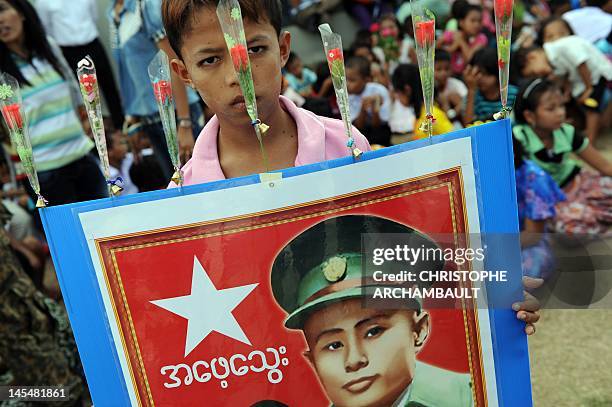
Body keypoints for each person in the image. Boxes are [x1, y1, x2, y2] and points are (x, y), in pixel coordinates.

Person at [159, 0, 540, 320]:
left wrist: (492, 288)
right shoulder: (182, 196)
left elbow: (397, 248)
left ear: (285, 48)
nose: (236, 75)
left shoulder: (344, 143)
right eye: (210, 60)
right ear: (184, 73)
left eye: (255, 50)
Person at [270, 215, 473, 406]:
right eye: (333, 345)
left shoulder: (476, 395)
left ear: (419, 330)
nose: (354, 360)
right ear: (312, 360)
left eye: (373, 331)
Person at [0, 0, 108, 206]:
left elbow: (75, 90)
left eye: (2, 10)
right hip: (45, 172)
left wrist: (86, 122)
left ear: (22, 12)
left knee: (105, 231)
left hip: (82, 157)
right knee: (67, 237)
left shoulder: (49, 48)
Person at [109, 0, 204, 181]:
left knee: (199, 183)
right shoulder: (113, 12)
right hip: (151, 119)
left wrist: (184, 122)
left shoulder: (146, 6)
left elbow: (172, 63)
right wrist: (133, 120)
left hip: (176, 114)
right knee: (177, 188)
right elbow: (129, 72)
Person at [513, 78, 612, 236]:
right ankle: (588, 215)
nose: (560, 113)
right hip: (547, 197)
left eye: (561, 106)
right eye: (551, 108)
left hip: (577, 182)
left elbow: (605, 167)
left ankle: (588, 214)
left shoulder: (567, 132)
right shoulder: (519, 138)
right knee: (566, 229)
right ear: (530, 116)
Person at [35, 0, 124, 130]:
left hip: (92, 43)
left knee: (109, 86)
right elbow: (46, 29)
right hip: (69, 50)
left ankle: (121, 125)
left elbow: (93, 16)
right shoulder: (43, 3)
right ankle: (97, 132)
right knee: (84, 95)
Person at [514, 37, 612, 142]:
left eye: (534, 73)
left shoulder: (561, 48)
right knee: (583, 105)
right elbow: (567, 74)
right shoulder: (553, 62)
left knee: (591, 107)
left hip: (598, 75)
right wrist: (567, 91)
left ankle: (590, 140)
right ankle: (593, 129)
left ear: (532, 58)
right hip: (586, 82)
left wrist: (588, 88)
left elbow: (581, 63)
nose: (538, 75)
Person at [513, 137, 566, 280]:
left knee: (518, 274)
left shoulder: (534, 178)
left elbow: (532, 235)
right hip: (489, 242)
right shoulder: (475, 174)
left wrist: (492, 250)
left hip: (526, 242)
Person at [389, 64, 453, 143]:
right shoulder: (420, 115)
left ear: (407, 90)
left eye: (397, 92)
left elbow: (453, 138)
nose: (396, 97)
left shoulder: (432, 116)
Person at [463, 47, 519, 125]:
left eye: (485, 73)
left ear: (497, 73)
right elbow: (468, 125)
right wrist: (471, 91)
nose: (479, 78)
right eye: (476, 73)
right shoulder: (472, 98)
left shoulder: (514, 94)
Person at [346, 55, 392, 146]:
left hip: (380, 133)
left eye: (352, 80)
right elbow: (358, 127)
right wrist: (363, 109)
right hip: (360, 134)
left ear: (366, 79)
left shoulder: (379, 90)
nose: (347, 84)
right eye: (346, 79)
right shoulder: (345, 97)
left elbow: (378, 125)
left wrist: (376, 107)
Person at [440, 0, 488, 76]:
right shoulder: (452, 34)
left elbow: (470, 59)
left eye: (479, 21)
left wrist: (461, 42)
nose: (477, 24)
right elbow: (436, 48)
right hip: (449, 75)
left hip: (468, 76)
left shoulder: (481, 39)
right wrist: (452, 47)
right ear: (461, 22)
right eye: (473, 21)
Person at [434, 49, 467, 127]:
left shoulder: (455, 84)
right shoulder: (431, 88)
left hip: (455, 117)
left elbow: (466, 101)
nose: (443, 73)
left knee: (454, 96)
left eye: (446, 69)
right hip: (439, 121)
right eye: (438, 69)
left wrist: (453, 113)